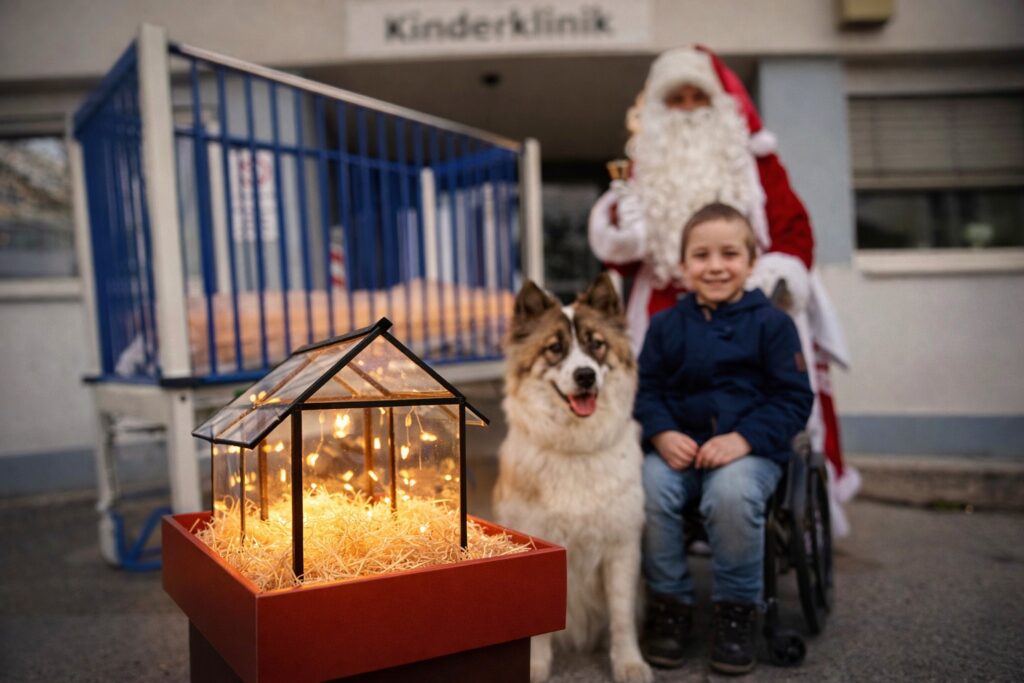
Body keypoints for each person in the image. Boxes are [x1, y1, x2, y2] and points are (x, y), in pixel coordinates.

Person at [588, 45, 859, 535]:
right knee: (653, 396)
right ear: (659, 107)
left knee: (764, 392)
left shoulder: (756, 161)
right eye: (678, 98)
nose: (690, 108)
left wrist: (767, 278)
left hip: (752, 307)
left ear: (721, 104)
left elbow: (796, 231)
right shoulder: (644, 167)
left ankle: (762, 504)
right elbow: (617, 253)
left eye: (699, 96)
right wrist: (622, 232)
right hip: (666, 310)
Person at [634, 202, 814, 674]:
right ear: (683, 265)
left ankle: (737, 610)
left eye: (729, 254)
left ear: (751, 261)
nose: (715, 266)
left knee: (730, 494)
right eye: (702, 255)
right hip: (678, 448)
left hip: (748, 451)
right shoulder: (666, 326)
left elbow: (793, 399)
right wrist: (662, 431)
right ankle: (669, 602)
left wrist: (745, 439)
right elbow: (646, 390)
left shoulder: (773, 326)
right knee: (649, 489)